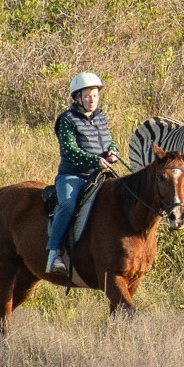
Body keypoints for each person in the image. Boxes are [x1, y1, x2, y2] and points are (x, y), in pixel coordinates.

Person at [47, 72, 119, 275]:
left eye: (95, 95)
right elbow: (70, 150)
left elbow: (110, 143)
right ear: (78, 98)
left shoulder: (101, 119)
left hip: (99, 175)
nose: (92, 100)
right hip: (72, 176)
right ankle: (54, 253)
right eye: (87, 96)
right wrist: (95, 160)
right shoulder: (67, 120)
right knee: (68, 204)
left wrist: (113, 153)